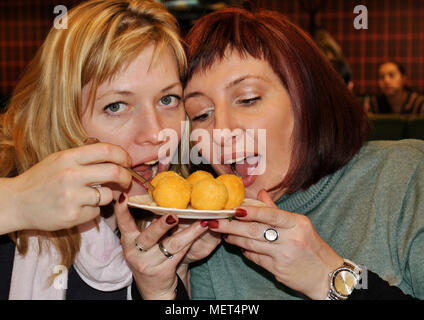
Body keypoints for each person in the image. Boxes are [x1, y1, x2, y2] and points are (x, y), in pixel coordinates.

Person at [183, 7, 423, 300]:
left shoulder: (407, 176)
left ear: (305, 98)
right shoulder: (209, 239)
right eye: (201, 114)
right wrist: (163, 288)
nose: (221, 130)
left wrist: (327, 276)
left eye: (248, 99)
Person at [0, 0, 216, 300]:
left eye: (168, 99)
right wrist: (16, 203)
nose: (157, 134)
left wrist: (166, 285)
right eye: (116, 106)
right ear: (64, 116)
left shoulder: (182, 214)